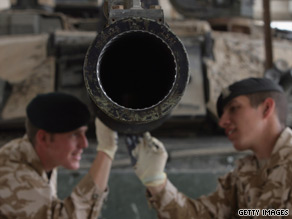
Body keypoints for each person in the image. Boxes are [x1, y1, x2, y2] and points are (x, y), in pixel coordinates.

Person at [126, 77, 292, 218]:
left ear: (266, 108)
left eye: (234, 108)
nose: (222, 122)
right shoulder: (243, 176)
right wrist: (157, 182)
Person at [0, 92, 118, 218]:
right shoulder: (15, 175)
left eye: (84, 133)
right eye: (74, 135)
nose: (84, 144)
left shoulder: (42, 158)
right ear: (43, 138)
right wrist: (106, 152)